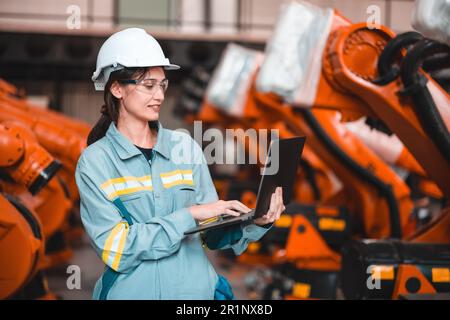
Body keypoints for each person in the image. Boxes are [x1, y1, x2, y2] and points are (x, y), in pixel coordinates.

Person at [75, 28, 285, 300]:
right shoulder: (95, 162)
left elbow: (212, 234)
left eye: (162, 85)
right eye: (148, 85)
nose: (160, 95)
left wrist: (258, 221)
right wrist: (190, 214)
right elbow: (118, 250)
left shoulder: (185, 148)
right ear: (116, 88)